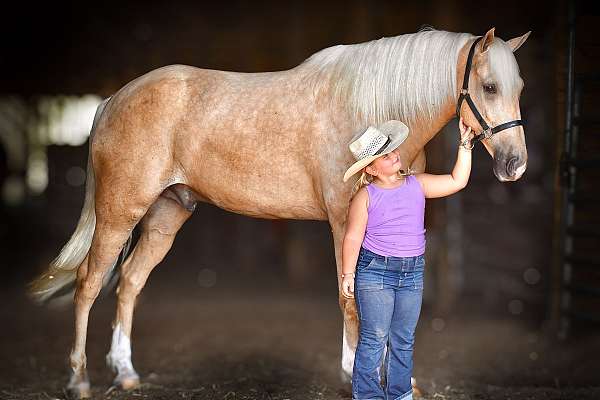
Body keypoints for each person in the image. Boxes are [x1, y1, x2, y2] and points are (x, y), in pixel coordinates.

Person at [341, 117, 473, 400]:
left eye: (393, 150)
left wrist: (465, 144)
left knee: (403, 339)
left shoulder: (417, 184)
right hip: (375, 273)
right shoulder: (366, 196)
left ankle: (400, 394)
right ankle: (367, 395)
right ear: (371, 168)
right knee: (374, 338)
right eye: (385, 156)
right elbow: (352, 237)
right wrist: (348, 274)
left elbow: (456, 180)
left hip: (411, 274)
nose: (395, 155)